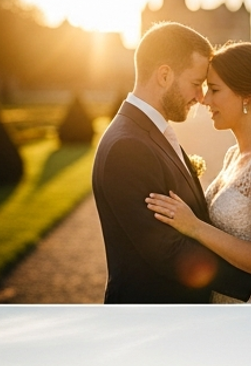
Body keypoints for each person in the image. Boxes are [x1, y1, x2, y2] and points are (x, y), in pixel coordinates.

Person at [93, 21, 251, 302]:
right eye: (196, 84)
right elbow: (166, 249)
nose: (201, 98)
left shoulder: (149, 132)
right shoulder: (128, 145)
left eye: (211, 88)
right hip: (152, 312)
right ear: (164, 75)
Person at [146, 41, 251, 302]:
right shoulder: (232, 156)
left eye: (214, 90)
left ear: (247, 96)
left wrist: (193, 227)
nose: (204, 99)